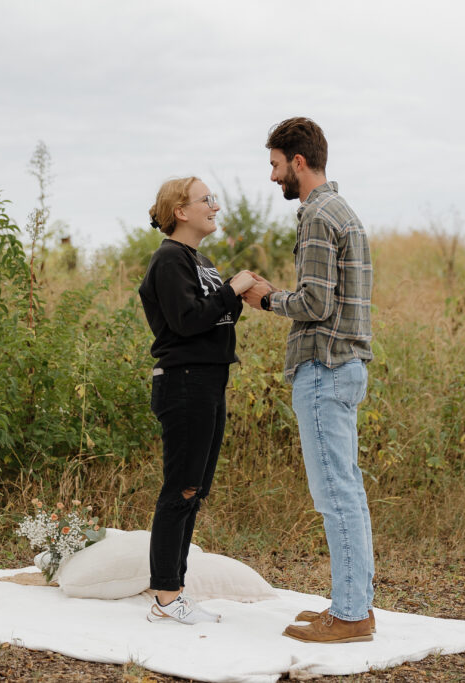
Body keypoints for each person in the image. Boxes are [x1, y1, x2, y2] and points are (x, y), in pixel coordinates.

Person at [242, 117, 376, 643]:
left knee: (336, 495)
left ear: (298, 162)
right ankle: (354, 604)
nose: (273, 176)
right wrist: (286, 294)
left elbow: (316, 304)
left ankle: (348, 616)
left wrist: (267, 299)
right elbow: (330, 296)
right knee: (349, 490)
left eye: (275, 165)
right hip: (345, 365)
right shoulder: (340, 211)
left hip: (323, 367)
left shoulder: (317, 215)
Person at [138, 176, 256, 625]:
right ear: (181, 211)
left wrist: (234, 291)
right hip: (184, 382)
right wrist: (232, 286)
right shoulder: (168, 259)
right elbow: (187, 322)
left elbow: (217, 317)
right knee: (181, 488)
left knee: (195, 490)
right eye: (207, 199)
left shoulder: (197, 259)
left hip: (208, 381)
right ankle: (166, 596)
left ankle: (175, 590)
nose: (216, 206)